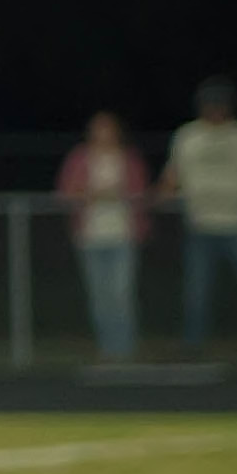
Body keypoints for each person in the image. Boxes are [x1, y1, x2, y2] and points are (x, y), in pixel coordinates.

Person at [161, 76, 237, 360]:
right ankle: (192, 346)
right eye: (209, 104)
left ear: (230, 107)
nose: (215, 110)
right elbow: (172, 175)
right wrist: (162, 195)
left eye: (220, 104)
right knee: (196, 291)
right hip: (200, 225)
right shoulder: (187, 136)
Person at [54, 112, 152, 362]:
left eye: (108, 129)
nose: (103, 135)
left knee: (122, 293)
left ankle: (126, 347)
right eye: (98, 129)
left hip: (122, 235)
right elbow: (65, 192)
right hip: (90, 236)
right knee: (99, 296)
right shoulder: (79, 158)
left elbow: (140, 191)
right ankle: (107, 347)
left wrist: (119, 192)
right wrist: (88, 194)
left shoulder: (128, 158)